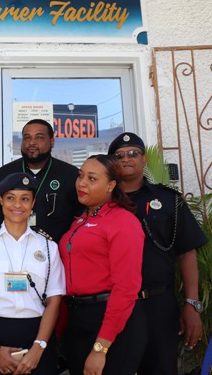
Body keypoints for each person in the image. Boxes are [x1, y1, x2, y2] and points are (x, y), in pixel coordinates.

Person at [108, 132, 207, 375]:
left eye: (133, 153)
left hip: (157, 304)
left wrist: (192, 304)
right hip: (111, 304)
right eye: (119, 155)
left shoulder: (168, 200)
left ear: (144, 160)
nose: (127, 159)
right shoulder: (101, 201)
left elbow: (186, 251)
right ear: (112, 164)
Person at [0, 172, 65, 375]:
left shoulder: (49, 247)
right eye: (10, 198)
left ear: (33, 202)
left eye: (25, 199)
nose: (17, 205)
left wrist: (39, 347)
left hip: (37, 335)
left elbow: (54, 300)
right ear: (0, 201)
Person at [59, 154, 146, 375]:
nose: (82, 183)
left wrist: (101, 348)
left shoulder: (122, 221)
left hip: (110, 322)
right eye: (80, 176)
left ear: (111, 185)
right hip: (78, 320)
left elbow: (126, 288)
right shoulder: (81, 220)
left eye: (92, 178)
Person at [0, 119, 81, 243]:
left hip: (54, 254)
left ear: (52, 141)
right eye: (27, 138)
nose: (32, 142)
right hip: (8, 254)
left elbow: (82, 218)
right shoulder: (3, 174)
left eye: (39, 137)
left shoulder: (70, 175)